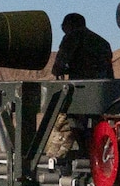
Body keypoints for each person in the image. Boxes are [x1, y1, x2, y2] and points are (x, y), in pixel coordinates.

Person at [47, 12, 116, 161]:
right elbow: (109, 73)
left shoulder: (72, 37)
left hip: (79, 94)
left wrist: (60, 71)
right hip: (102, 97)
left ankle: (57, 158)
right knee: (96, 130)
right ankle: (96, 156)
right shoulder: (102, 42)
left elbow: (58, 67)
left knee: (64, 124)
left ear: (69, 25)